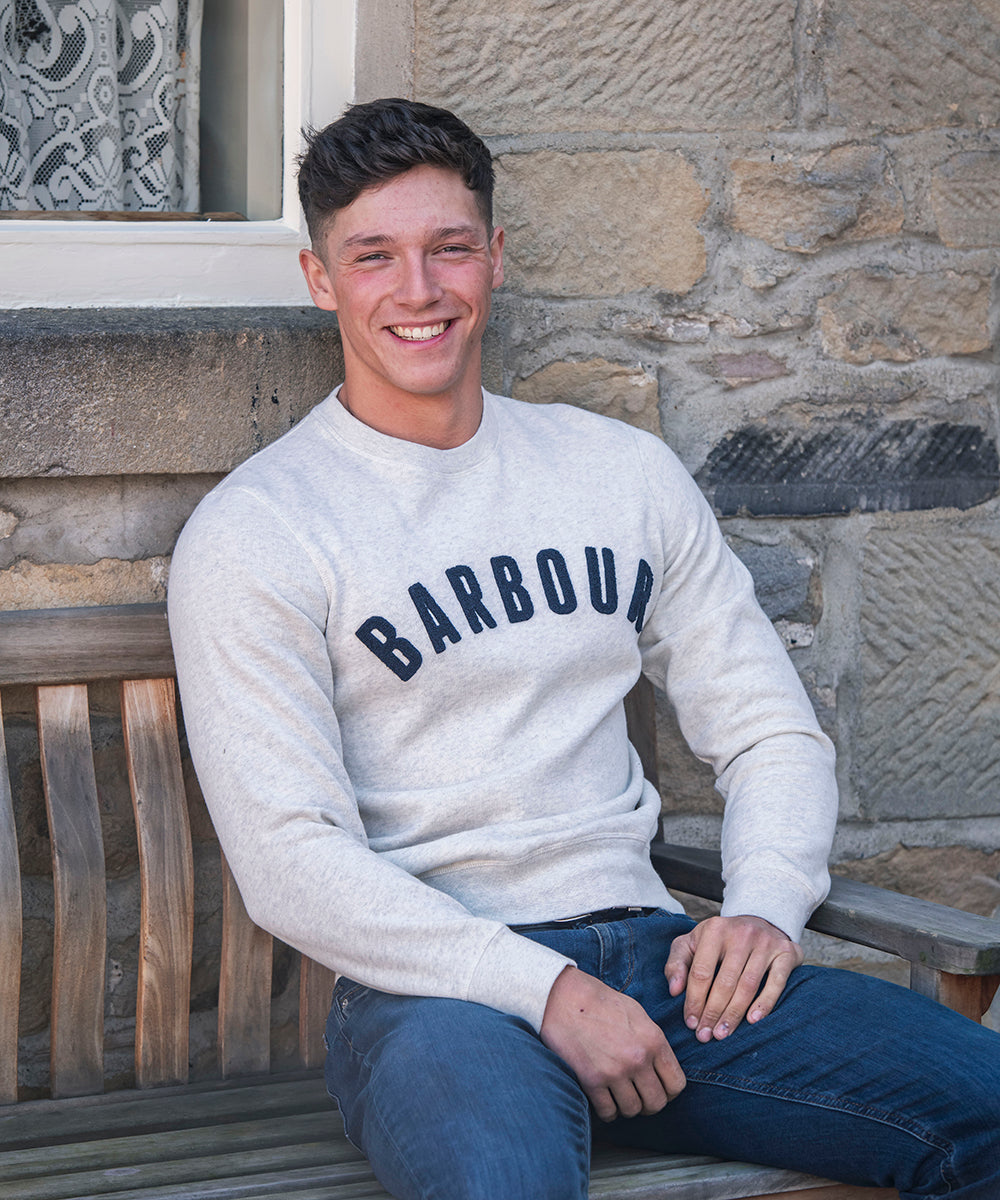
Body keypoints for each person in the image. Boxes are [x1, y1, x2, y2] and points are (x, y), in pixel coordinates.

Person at [167, 97, 1000, 1199]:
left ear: (496, 257)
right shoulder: (260, 529)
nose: (418, 290)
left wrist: (761, 905)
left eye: (449, 248)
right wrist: (547, 991)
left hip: (666, 970)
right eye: (373, 257)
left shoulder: (618, 474)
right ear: (321, 279)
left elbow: (768, 731)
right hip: (439, 997)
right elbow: (288, 859)